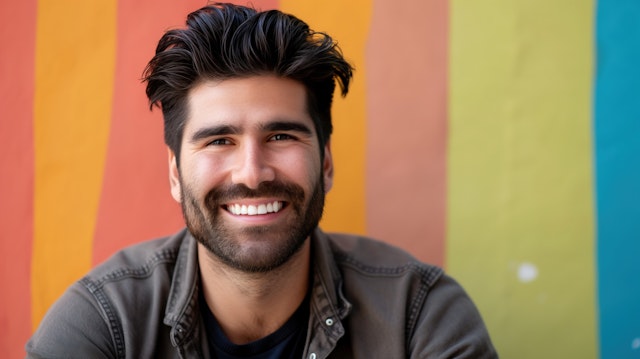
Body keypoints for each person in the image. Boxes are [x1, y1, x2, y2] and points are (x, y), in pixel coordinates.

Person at [26, 3, 497, 358]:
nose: (253, 172)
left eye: (281, 135)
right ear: (175, 173)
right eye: (218, 141)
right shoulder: (105, 325)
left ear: (326, 162)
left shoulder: (419, 317)